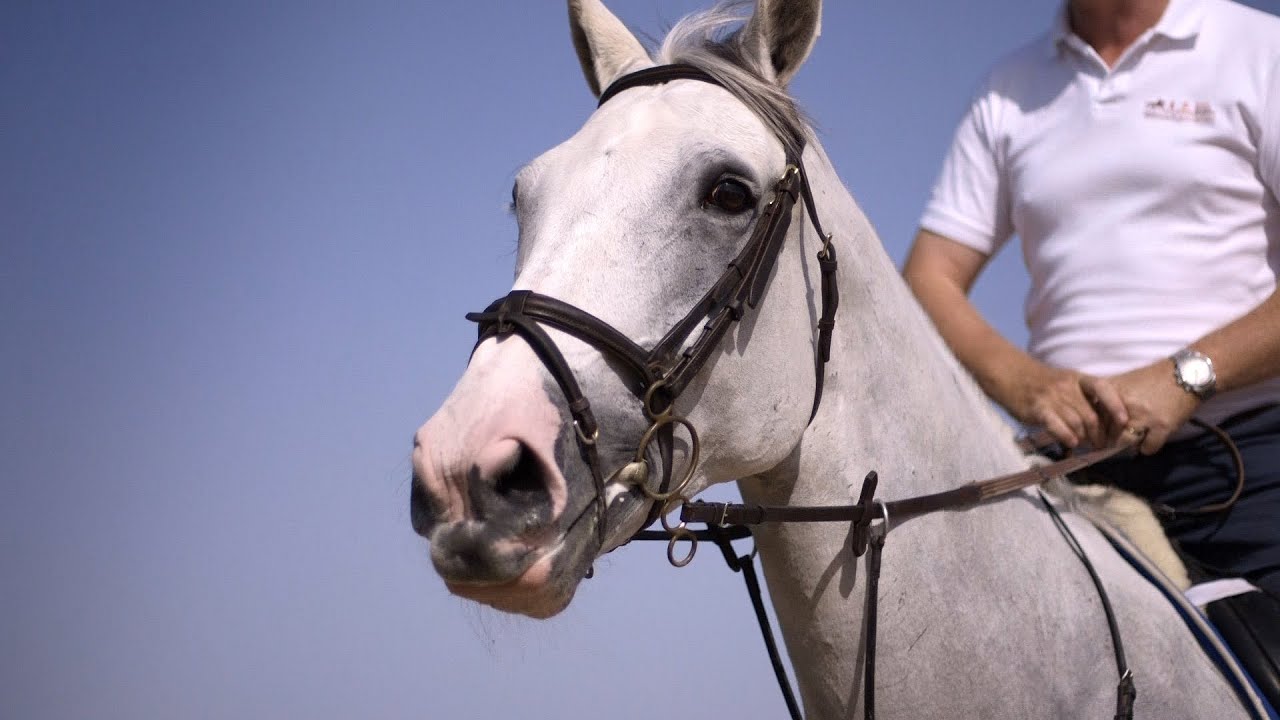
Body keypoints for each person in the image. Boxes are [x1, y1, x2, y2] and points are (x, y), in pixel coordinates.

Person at [901, 0, 1280, 666]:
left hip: (1253, 467)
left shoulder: (1259, 49)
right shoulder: (1008, 88)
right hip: (1072, 477)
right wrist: (1028, 385)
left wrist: (1188, 376)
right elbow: (930, 274)